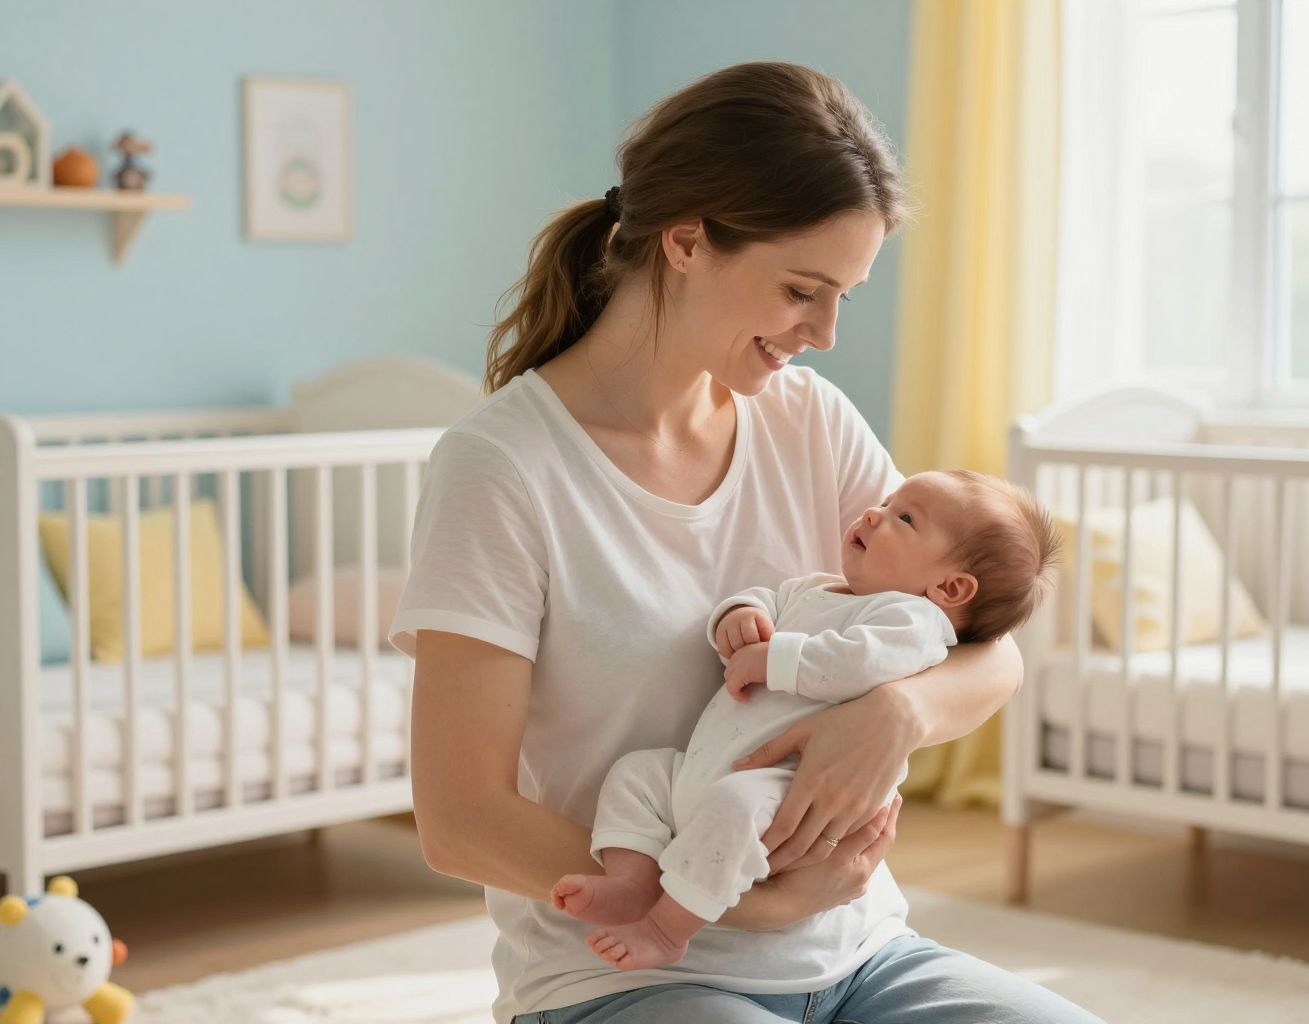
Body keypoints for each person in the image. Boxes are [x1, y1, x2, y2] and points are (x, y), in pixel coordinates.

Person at [390, 60, 1103, 1024]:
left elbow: (986, 650)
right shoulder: (504, 467)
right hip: (627, 974)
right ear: (686, 241)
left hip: (860, 953)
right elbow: (459, 819)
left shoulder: (808, 420)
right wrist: (733, 902)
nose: (825, 331)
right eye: (804, 289)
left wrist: (895, 712)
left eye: (844, 294)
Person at [553, 470, 1063, 973]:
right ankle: (634, 880)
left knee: (732, 811)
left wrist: (775, 659)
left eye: (904, 518)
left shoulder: (913, 623)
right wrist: (738, 616)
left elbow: (858, 663)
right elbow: (768, 600)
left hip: (785, 787)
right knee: (637, 775)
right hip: (705, 768)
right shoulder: (820, 589)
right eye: (887, 501)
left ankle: (667, 929)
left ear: (950, 588)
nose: (874, 513)